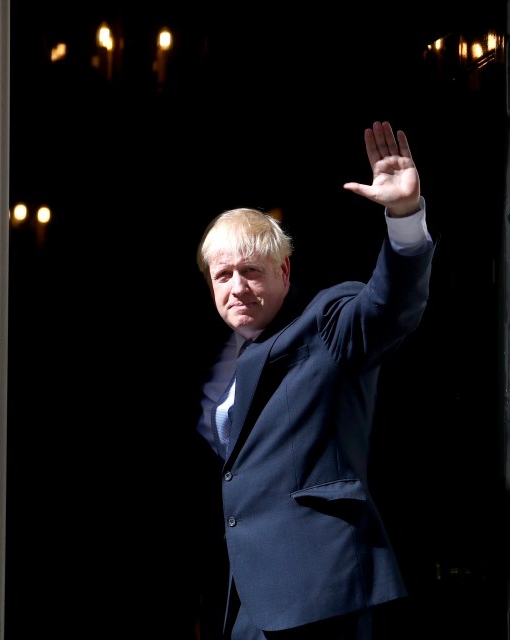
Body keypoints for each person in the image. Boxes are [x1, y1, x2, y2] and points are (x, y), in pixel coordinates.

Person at [183, 120, 436, 640]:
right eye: (222, 275)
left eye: (251, 270)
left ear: (285, 272)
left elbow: (388, 308)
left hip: (320, 591)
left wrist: (404, 215)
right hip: (249, 603)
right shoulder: (216, 359)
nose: (237, 287)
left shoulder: (324, 320)